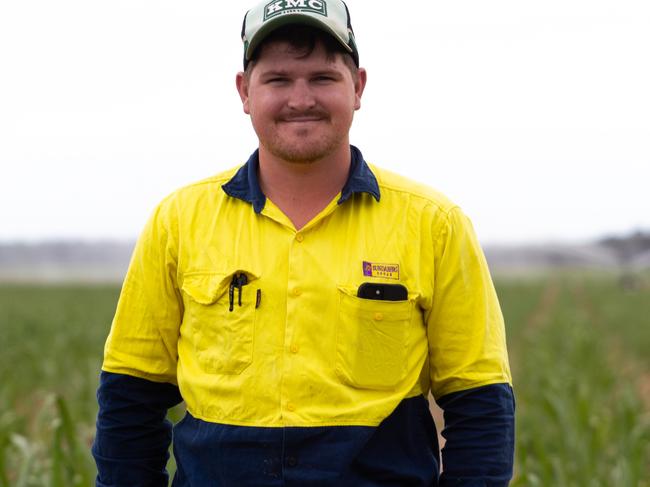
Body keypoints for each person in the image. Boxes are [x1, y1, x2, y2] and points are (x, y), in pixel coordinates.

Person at [92, 1, 515, 485]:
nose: (300, 98)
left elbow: (481, 403)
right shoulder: (179, 220)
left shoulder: (434, 223)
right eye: (277, 80)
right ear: (244, 91)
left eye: (322, 78)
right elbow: (131, 397)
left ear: (357, 87)